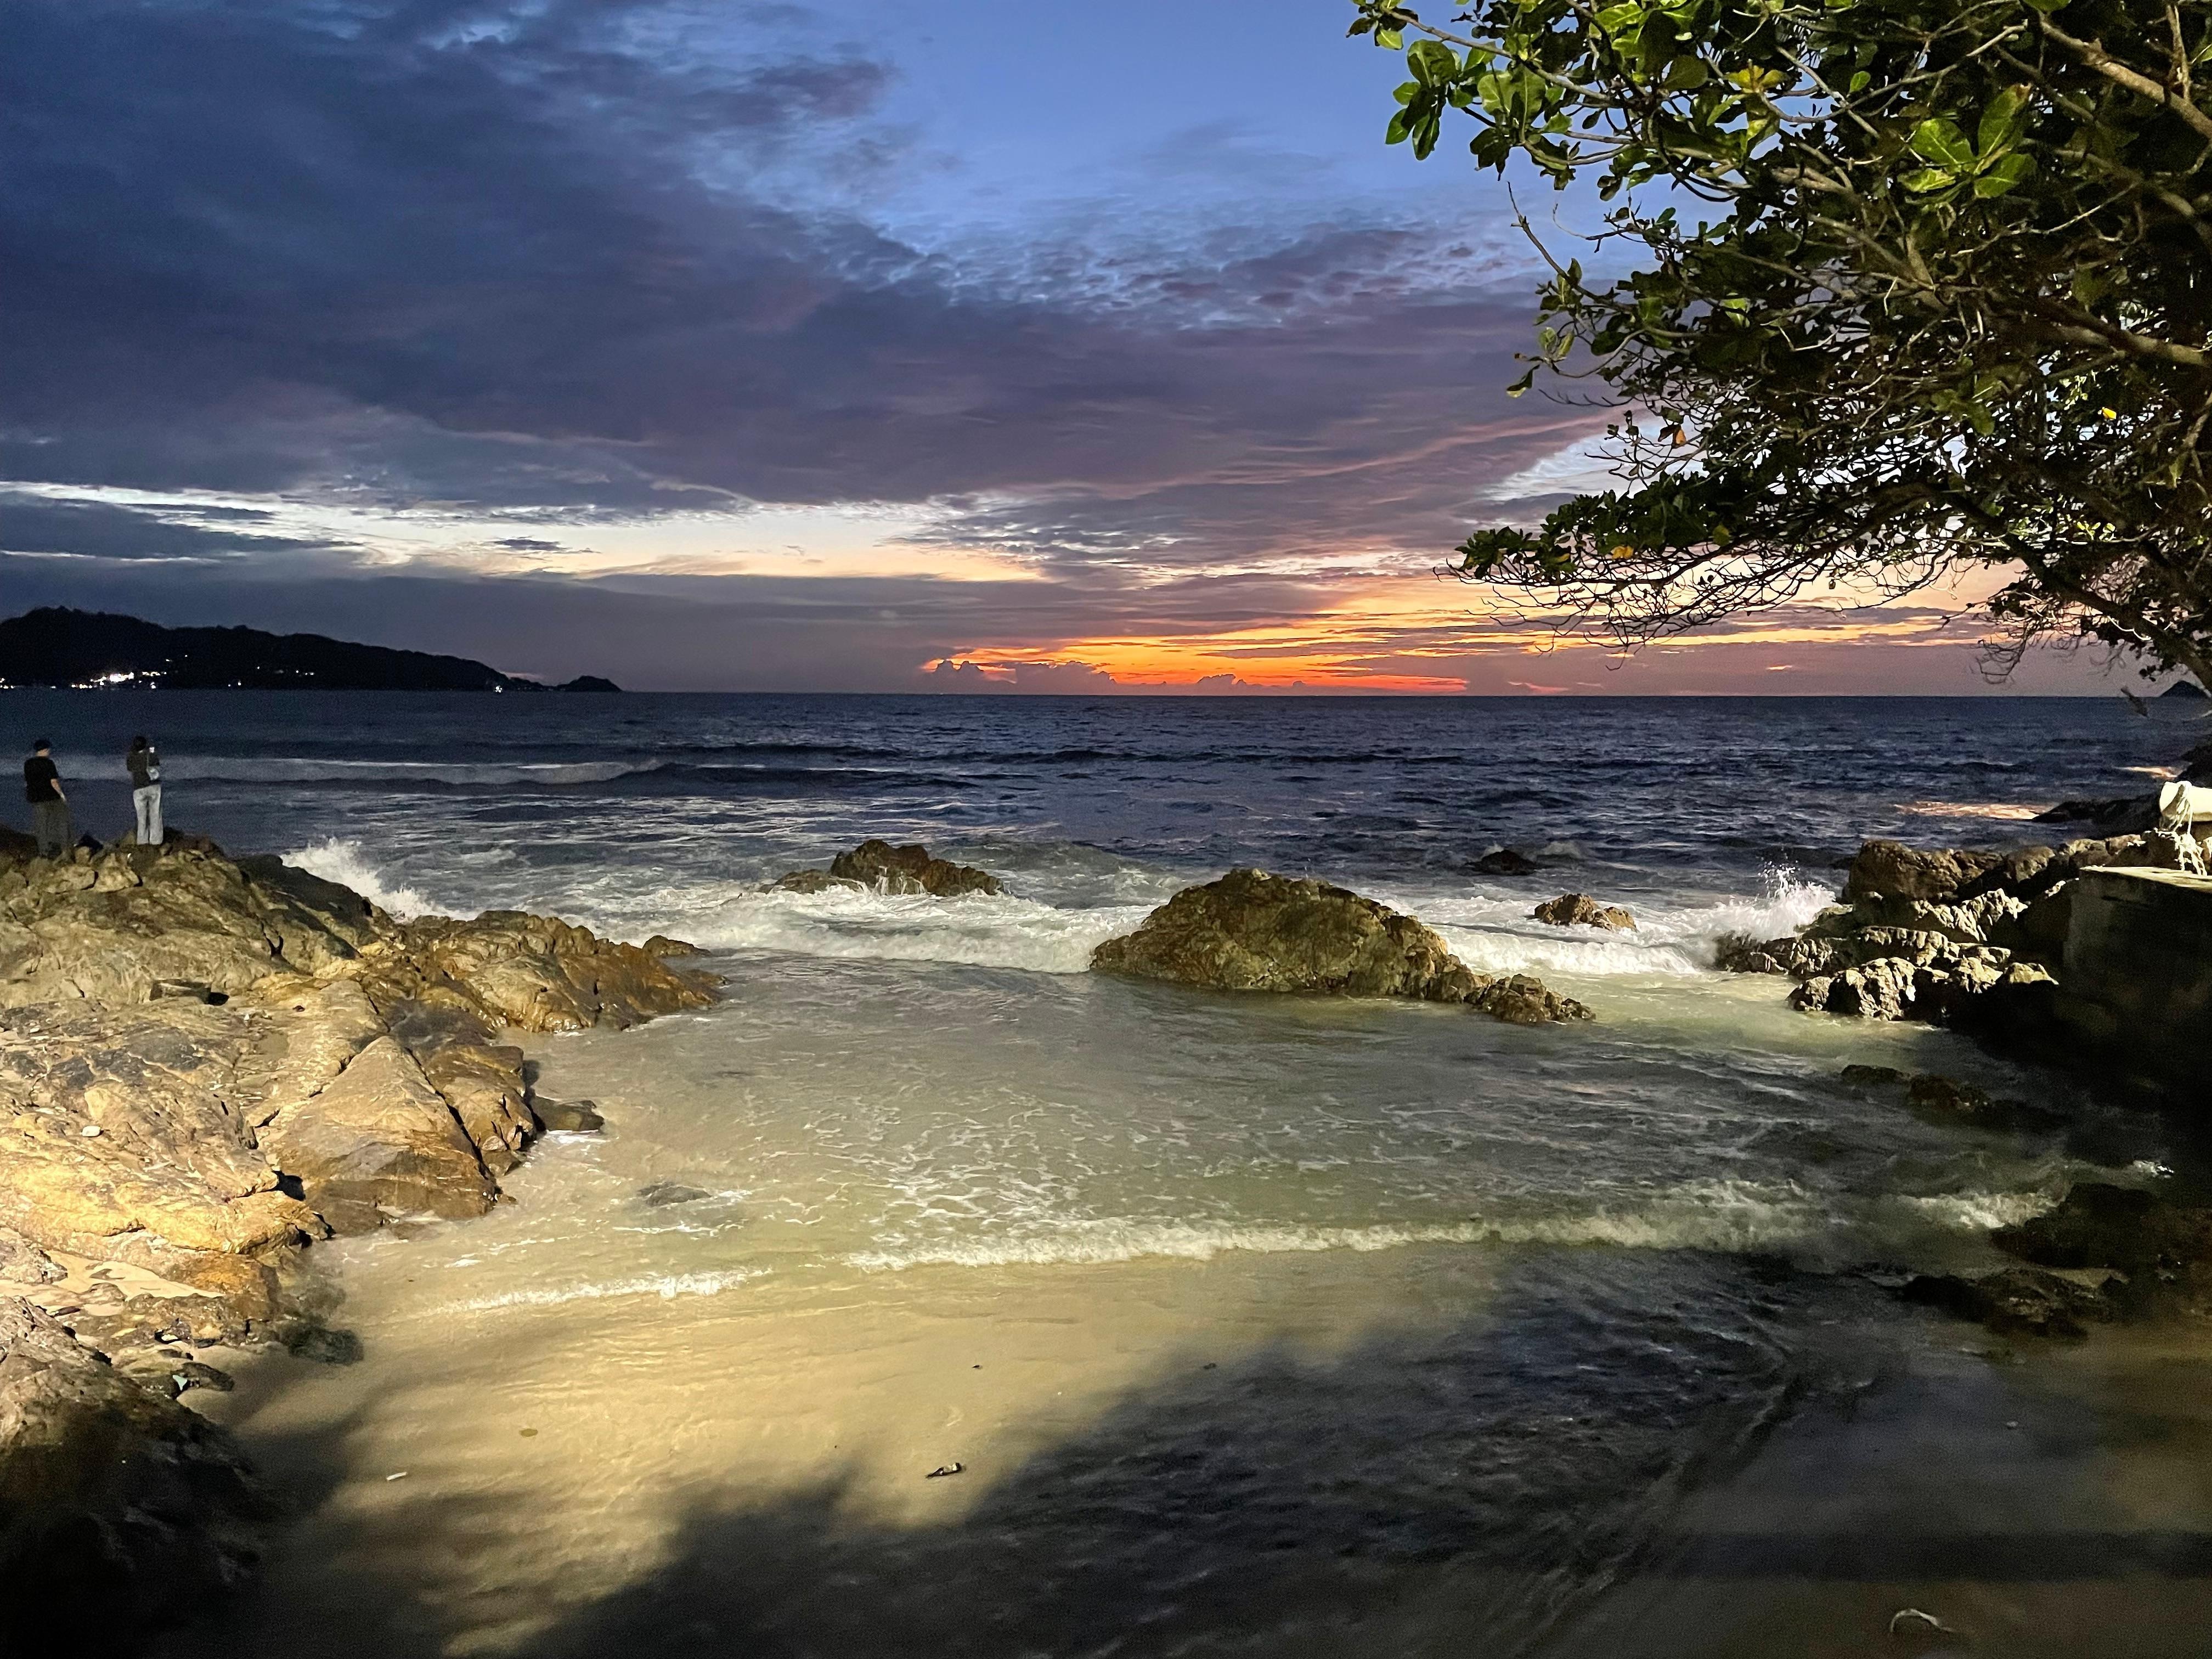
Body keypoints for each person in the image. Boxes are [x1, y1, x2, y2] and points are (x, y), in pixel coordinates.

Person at [24, 740, 70, 857]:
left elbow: (28, 781)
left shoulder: (28, 764)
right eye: (48, 749)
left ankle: (43, 851)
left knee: (41, 825)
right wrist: (62, 795)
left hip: (36, 798)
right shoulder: (49, 763)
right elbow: (54, 782)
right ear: (45, 750)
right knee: (62, 822)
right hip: (51, 797)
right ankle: (65, 849)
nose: (49, 751)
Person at [126, 734, 163, 848]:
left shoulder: (131, 756)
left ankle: (142, 841)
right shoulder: (150, 754)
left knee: (141, 817)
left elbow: (129, 767)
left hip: (139, 788)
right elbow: (156, 761)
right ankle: (156, 841)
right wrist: (151, 749)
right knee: (155, 814)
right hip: (153, 786)